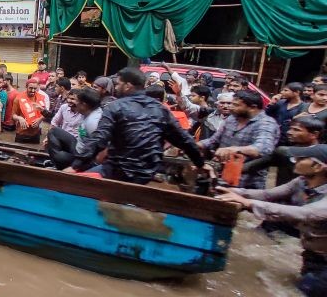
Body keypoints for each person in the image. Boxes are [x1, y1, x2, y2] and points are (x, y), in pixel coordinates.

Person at [215, 145, 327, 297]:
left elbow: (305, 213)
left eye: (300, 159)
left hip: (322, 261)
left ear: (318, 167)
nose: (295, 162)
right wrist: (232, 191)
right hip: (312, 255)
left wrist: (249, 203)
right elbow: (267, 194)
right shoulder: (301, 181)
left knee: (307, 288)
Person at [71, 67, 205, 184]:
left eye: (118, 84)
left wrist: (75, 166)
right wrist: (200, 164)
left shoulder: (115, 106)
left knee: (73, 185)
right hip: (145, 175)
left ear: (128, 86)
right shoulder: (160, 109)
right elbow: (184, 140)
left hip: (116, 172)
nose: (116, 87)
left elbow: (99, 139)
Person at [198, 90, 280, 189]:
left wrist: (232, 149)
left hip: (248, 183)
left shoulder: (266, 123)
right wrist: (196, 145)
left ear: (253, 107)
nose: (231, 107)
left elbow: (263, 148)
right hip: (224, 176)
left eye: (236, 105)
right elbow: (213, 140)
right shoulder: (232, 119)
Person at [46, 89, 102, 169]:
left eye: (77, 102)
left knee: (60, 156)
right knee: (54, 131)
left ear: (84, 105)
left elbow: (93, 150)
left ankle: (60, 167)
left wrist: (76, 166)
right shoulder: (89, 111)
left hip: (84, 157)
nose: (76, 104)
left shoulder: (93, 123)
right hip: (79, 145)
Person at [12, 79, 47, 143]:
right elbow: (13, 115)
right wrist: (20, 118)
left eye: (35, 88)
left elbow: (46, 113)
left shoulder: (41, 97)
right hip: (21, 133)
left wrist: (40, 119)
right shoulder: (18, 98)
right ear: (26, 87)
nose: (33, 91)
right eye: (30, 88)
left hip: (35, 133)